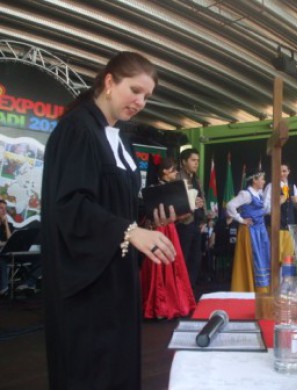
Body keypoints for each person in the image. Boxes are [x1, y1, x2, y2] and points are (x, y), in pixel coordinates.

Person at [41, 51, 176, 390]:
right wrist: (130, 231)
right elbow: (70, 205)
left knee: (117, 364)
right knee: (92, 369)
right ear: (109, 81)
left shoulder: (119, 139)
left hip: (116, 277)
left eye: (147, 96)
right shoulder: (78, 130)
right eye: (135, 90)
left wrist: (149, 216)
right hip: (88, 284)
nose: (141, 101)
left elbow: (117, 203)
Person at [141, 156, 196, 320]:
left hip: (170, 229)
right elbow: (149, 213)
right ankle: (159, 306)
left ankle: (174, 303)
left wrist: (190, 207)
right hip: (158, 230)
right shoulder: (153, 189)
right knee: (158, 267)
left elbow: (176, 214)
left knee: (174, 265)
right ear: (165, 171)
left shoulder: (175, 187)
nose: (176, 173)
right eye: (173, 170)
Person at [226, 171, 270, 293]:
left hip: (260, 231)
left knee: (261, 258)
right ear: (254, 180)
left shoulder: (260, 194)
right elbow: (230, 205)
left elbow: (264, 210)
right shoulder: (246, 194)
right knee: (251, 258)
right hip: (250, 232)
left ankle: (261, 288)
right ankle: (248, 288)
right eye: (262, 179)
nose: (264, 181)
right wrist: (241, 219)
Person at [176, 146, 206, 288]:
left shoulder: (196, 178)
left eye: (198, 161)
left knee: (195, 259)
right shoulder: (177, 177)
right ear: (183, 162)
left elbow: (201, 198)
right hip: (183, 223)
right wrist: (192, 203)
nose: (196, 163)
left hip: (196, 223)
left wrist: (204, 219)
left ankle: (190, 291)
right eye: (193, 160)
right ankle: (181, 291)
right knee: (183, 258)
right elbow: (174, 202)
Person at [264, 162, 297, 262]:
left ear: (289, 172)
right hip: (275, 228)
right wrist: (278, 203)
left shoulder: (292, 187)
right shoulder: (271, 186)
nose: (282, 173)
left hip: (289, 228)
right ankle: (274, 278)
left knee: (288, 260)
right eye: (279, 171)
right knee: (274, 259)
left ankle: (285, 278)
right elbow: (265, 209)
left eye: (284, 171)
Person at [0, 199, 13, 296]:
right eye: (1, 208)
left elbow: (10, 241)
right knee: (1, 258)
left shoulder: (9, 225)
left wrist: (6, 225)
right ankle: (4, 287)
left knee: (39, 258)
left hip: (10, 253)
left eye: (5, 209)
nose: (4, 211)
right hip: (2, 254)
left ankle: (28, 283)